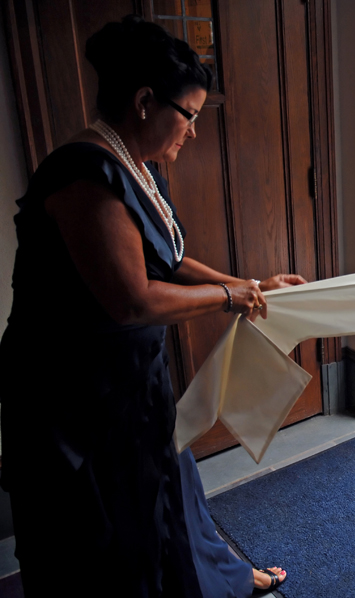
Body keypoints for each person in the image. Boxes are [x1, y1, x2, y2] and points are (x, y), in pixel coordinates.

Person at [0, 16, 297, 596]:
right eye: (189, 115)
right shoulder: (85, 174)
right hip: (73, 393)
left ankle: (215, 577)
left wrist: (248, 286)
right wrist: (226, 297)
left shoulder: (136, 166)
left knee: (165, 490)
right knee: (110, 527)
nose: (192, 132)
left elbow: (170, 258)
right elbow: (132, 300)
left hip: (130, 378)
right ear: (143, 102)